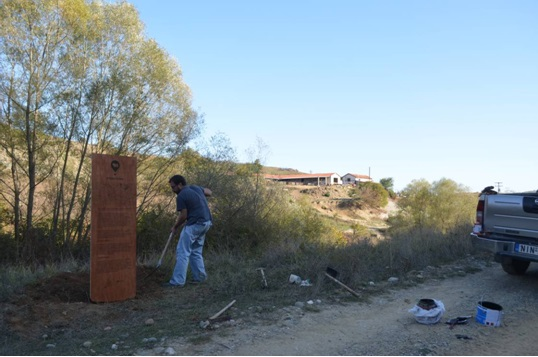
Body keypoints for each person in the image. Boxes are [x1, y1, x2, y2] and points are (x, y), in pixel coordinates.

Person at [164, 174, 212, 287]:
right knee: (195, 251)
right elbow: (209, 192)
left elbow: (183, 215)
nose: (172, 190)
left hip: (195, 224)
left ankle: (177, 282)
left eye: (173, 187)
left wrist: (175, 227)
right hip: (206, 223)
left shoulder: (181, 196)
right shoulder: (195, 188)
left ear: (180, 184)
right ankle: (200, 278)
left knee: (183, 252)